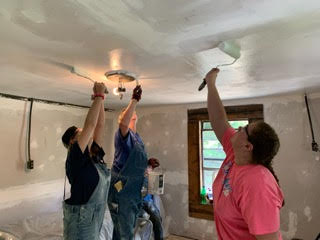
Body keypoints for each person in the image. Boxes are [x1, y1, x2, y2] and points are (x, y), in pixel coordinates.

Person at [205, 68, 284, 240]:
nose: (239, 128)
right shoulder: (235, 155)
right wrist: (211, 83)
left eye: (244, 129)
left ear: (248, 146)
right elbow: (218, 120)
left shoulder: (257, 183)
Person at [61, 82, 110, 240]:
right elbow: (90, 125)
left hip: (94, 218)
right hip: (80, 224)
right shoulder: (75, 157)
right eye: (79, 133)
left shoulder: (93, 156)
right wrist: (98, 96)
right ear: (72, 142)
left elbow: (99, 126)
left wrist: (101, 100)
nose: (85, 134)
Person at [108, 85, 148, 240]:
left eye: (133, 114)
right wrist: (134, 100)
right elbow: (124, 124)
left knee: (123, 231)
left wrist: (148, 162)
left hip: (133, 192)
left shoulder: (136, 138)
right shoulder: (122, 135)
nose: (133, 115)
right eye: (128, 114)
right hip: (121, 192)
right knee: (125, 233)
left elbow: (136, 162)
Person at [140, 158, 163, 240]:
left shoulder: (151, 176)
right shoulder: (141, 174)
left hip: (148, 202)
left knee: (158, 218)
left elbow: (153, 191)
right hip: (140, 202)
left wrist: (157, 189)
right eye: (150, 167)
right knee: (145, 217)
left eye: (152, 168)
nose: (151, 169)